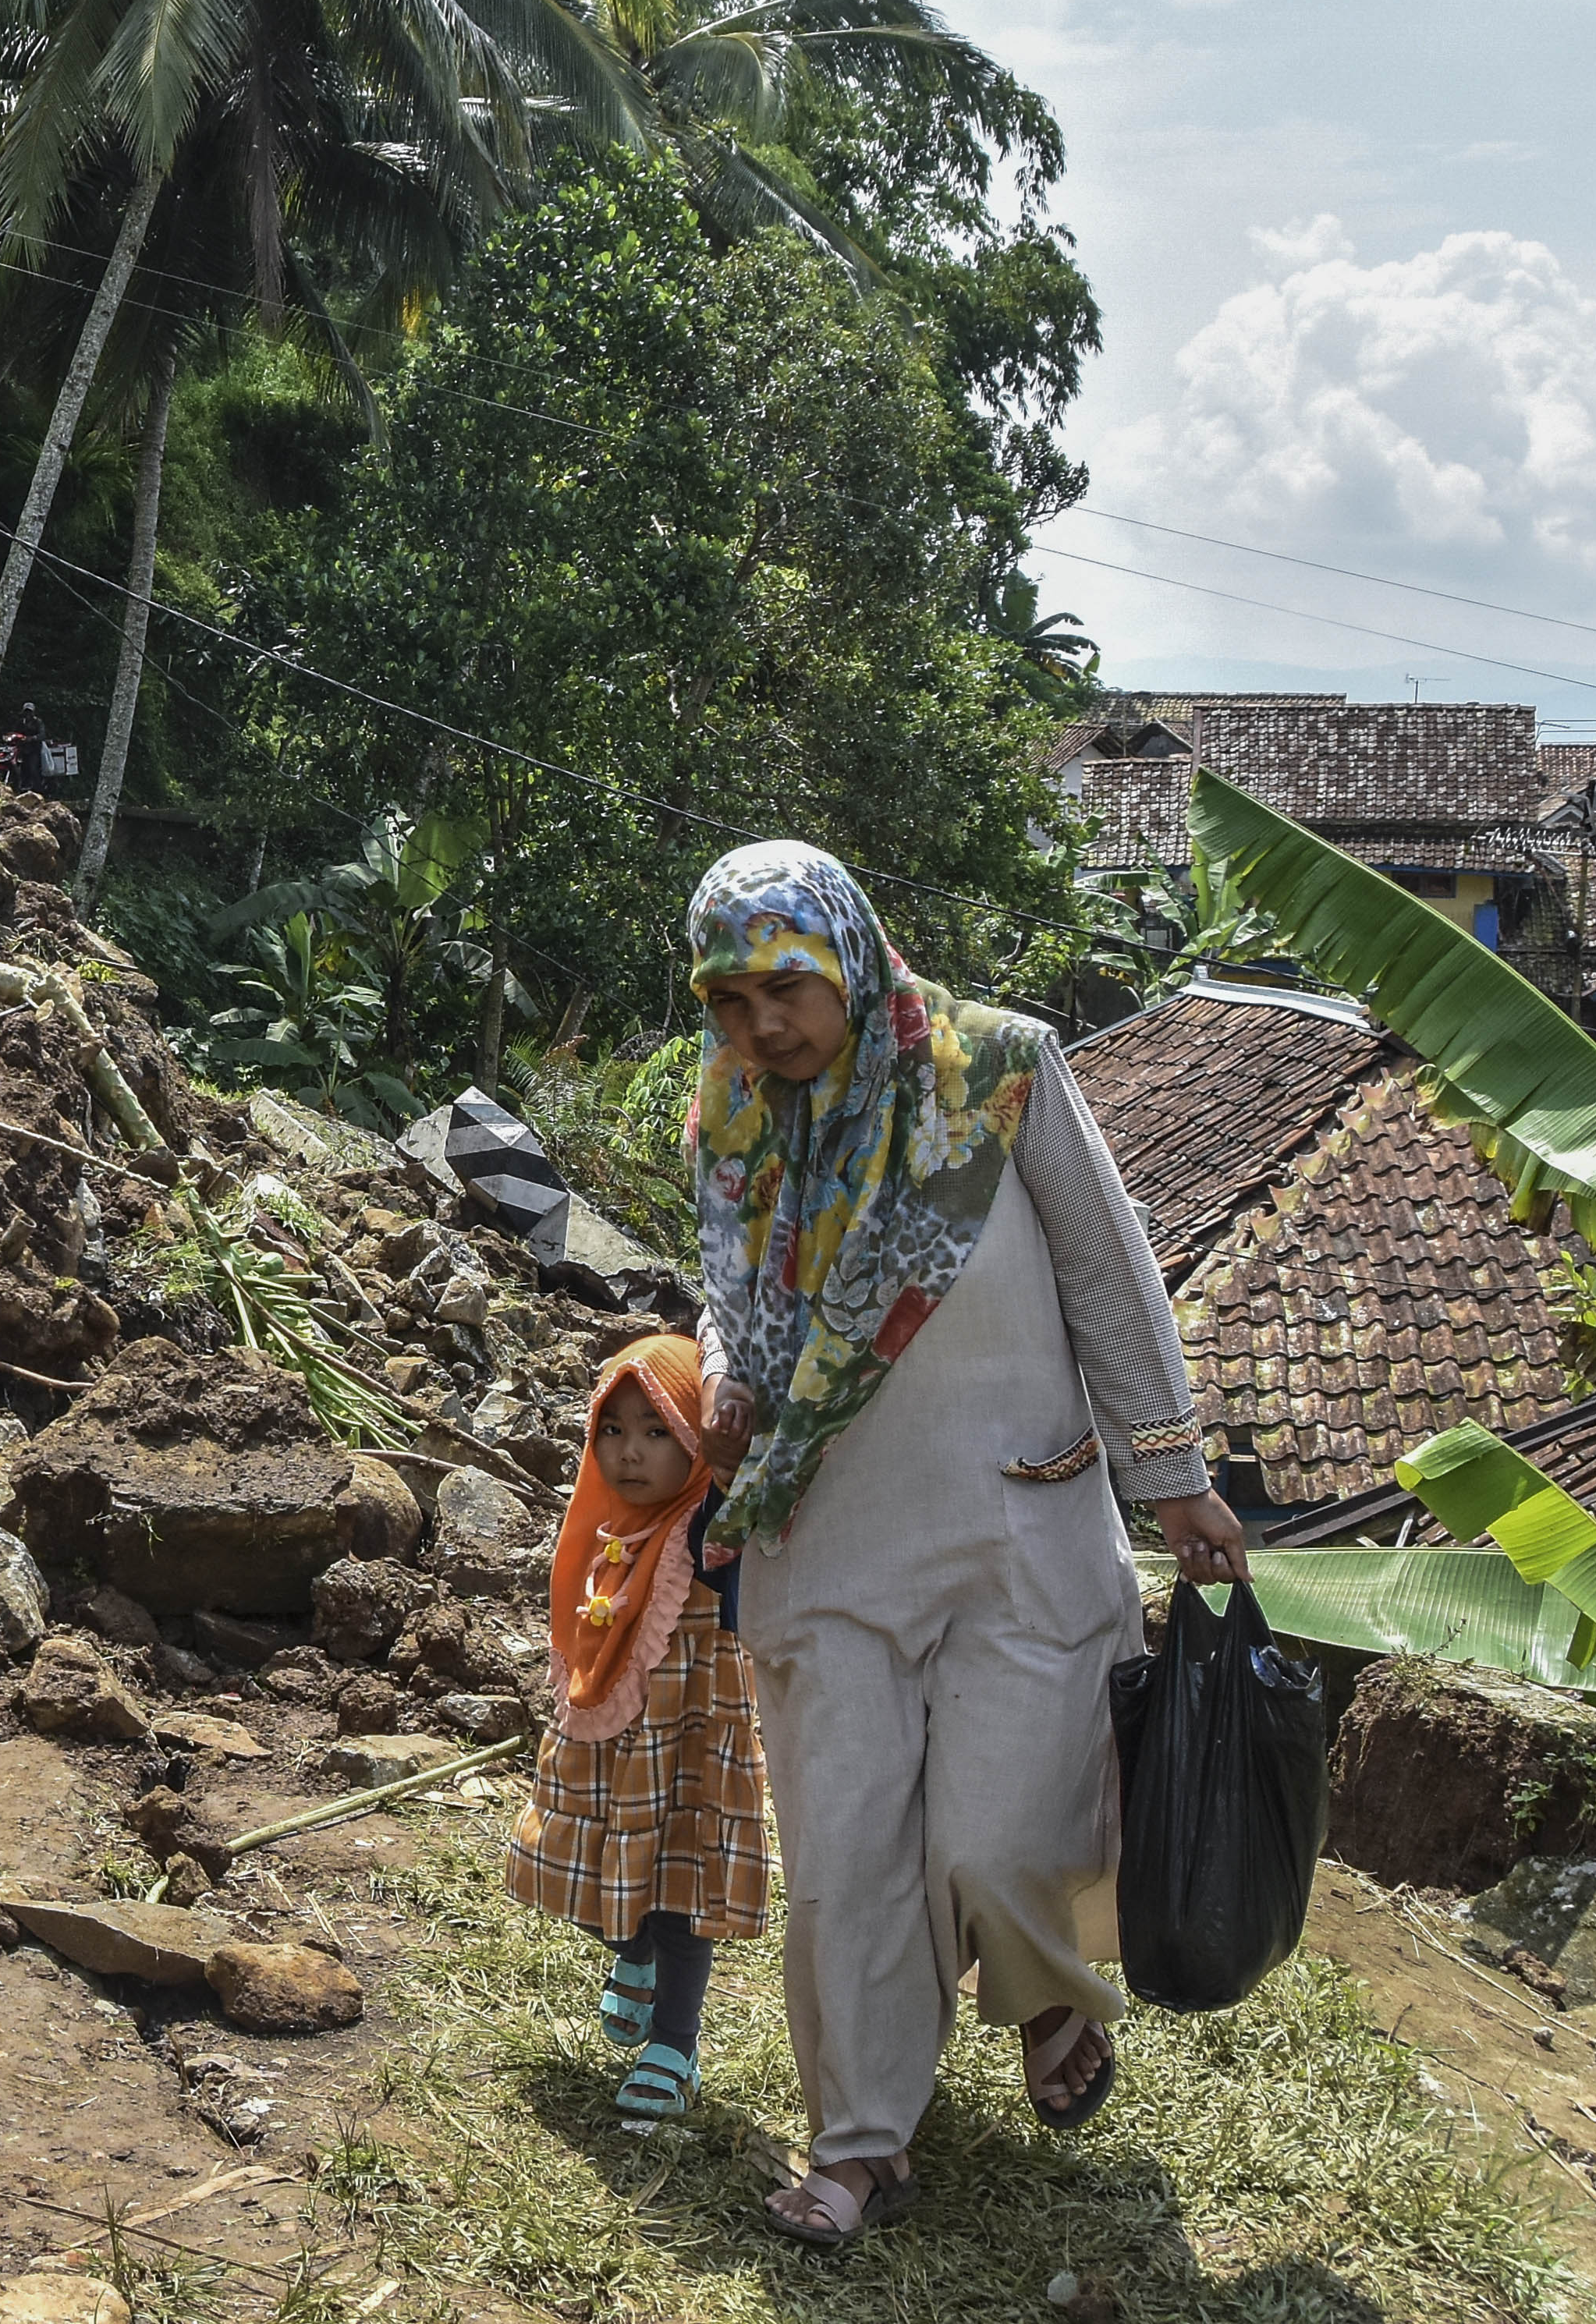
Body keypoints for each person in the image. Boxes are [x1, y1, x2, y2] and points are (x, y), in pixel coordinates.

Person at [676, 839, 1247, 2247]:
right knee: (850, 1857)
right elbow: (727, 1288)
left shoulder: (999, 1071)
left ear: (851, 956)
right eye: (731, 1001)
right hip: (829, 1537)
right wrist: (725, 1375)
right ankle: (861, 2144)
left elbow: (1108, 1271)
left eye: (786, 990)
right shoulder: (734, 1119)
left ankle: (1041, 1982)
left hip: (1018, 1520)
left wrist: (1170, 1475)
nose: (764, 1028)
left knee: (996, 1844)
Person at [501, 1330, 765, 2134]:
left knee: (678, 1892)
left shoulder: (706, 1530)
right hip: (606, 1742)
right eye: (611, 1430)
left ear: (695, 1436)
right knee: (585, 1876)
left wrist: (725, 1463)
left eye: (658, 1431)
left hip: (686, 1747)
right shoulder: (604, 1529)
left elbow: (734, 1514)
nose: (629, 1453)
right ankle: (633, 1952)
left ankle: (675, 2046)